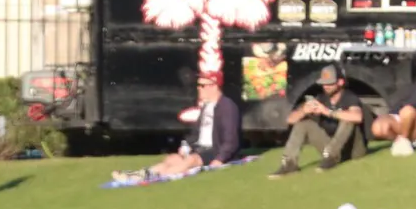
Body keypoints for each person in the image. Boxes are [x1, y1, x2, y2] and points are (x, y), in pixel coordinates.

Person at [111, 73, 241, 184]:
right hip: (200, 147)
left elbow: (231, 140)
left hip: (215, 149)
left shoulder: (227, 107)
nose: (199, 89)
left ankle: (155, 177)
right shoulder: (206, 107)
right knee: (172, 159)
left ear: (214, 86)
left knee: (191, 160)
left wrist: (220, 159)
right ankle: (140, 174)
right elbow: (196, 133)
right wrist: (186, 146)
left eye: (202, 86)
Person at [270, 64, 366, 178]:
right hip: (328, 146)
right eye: (324, 83)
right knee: (304, 124)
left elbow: (357, 117)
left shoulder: (349, 97)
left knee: (348, 119)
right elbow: (290, 120)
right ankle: (289, 163)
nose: (326, 86)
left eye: (330, 83)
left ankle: (331, 156)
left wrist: (327, 111)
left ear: (340, 82)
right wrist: (304, 111)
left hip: (354, 149)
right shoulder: (320, 98)